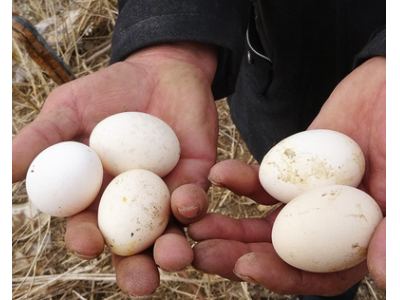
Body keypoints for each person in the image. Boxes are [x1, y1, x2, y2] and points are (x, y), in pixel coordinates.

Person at [12, 0, 386, 298]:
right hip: (279, 76)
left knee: (326, 249)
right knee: (301, 232)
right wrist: (172, 36)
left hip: (372, 119)